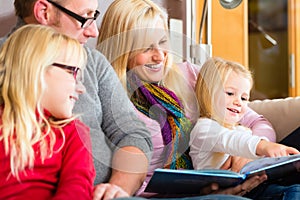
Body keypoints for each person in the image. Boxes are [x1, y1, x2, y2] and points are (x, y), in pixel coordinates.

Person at [97, 0, 274, 197]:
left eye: (163, 42)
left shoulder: (190, 76)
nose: (159, 56)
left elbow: (257, 121)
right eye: (146, 48)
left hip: (232, 179)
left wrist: (249, 155)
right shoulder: (110, 99)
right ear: (122, 48)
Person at [0, 1, 153, 199]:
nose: (94, 32)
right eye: (85, 18)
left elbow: (132, 132)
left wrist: (117, 189)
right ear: (44, 12)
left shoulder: (94, 62)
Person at [0, 24, 95, 199]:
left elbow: (77, 189)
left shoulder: (73, 132)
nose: (81, 88)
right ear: (36, 69)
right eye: (73, 73)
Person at [190, 56, 300, 199]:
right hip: (232, 189)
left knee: (294, 189)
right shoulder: (204, 127)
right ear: (208, 93)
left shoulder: (241, 129)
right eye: (230, 93)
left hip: (256, 184)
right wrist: (264, 146)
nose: (238, 102)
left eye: (244, 98)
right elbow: (232, 140)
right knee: (293, 192)